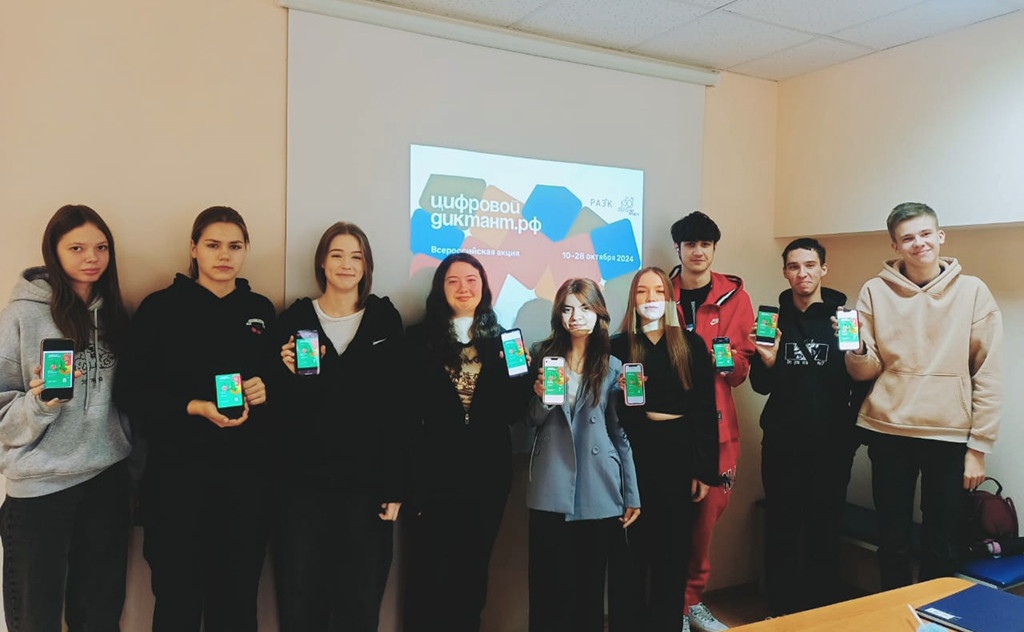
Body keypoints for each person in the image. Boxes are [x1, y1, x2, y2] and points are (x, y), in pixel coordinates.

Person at [117, 206, 276, 632]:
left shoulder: (260, 309)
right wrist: (193, 407)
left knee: (237, 607)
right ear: (193, 248)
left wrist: (264, 389)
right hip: (175, 485)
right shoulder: (159, 308)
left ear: (245, 250)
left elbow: (277, 388)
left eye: (235, 246)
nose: (224, 255)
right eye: (213, 245)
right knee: (177, 606)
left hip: (245, 487)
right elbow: (130, 392)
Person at [844, 203, 1002, 590]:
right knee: (892, 539)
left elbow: (988, 373)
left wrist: (978, 448)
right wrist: (857, 349)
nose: (919, 243)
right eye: (908, 238)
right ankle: (893, 611)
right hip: (888, 430)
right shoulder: (874, 290)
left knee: (942, 541)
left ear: (940, 236)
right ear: (895, 245)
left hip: (948, 435)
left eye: (926, 234)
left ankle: (934, 614)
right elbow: (864, 371)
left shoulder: (973, 291)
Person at [0, 204, 133, 632]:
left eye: (101, 247)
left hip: (106, 479)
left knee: (99, 618)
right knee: (35, 619)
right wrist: (40, 403)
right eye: (76, 248)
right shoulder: (22, 315)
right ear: (53, 252)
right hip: (40, 487)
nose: (91, 257)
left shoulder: (113, 313)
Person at [273, 222, 406, 631]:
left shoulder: (384, 319)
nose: (346, 264)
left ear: (366, 266)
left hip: (366, 487)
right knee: (301, 597)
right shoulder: (295, 318)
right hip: (302, 485)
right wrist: (284, 373)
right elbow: (278, 410)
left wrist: (395, 486)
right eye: (337, 255)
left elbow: (398, 408)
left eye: (356, 256)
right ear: (321, 263)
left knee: (360, 599)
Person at [403, 253, 528, 632]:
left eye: (471, 280)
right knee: (430, 574)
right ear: (440, 289)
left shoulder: (506, 341)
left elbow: (516, 410)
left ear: (483, 287)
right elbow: (405, 409)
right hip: (432, 478)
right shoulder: (417, 339)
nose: (463, 288)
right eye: (453, 280)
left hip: (487, 477)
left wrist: (525, 378)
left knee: (473, 574)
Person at [749, 238, 861, 615]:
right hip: (781, 444)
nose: (803, 273)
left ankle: (820, 612)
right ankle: (779, 611)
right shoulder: (773, 321)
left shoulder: (842, 320)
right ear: (785, 272)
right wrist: (767, 360)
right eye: (794, 266)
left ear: (823, 269)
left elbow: (860, 381)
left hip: (832, 447)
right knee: (780, 528)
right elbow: (760, 386)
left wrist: (850, 435)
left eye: (810, 265)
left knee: (824, 531)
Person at [526, 278, 640, 632]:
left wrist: (632, 493)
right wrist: (542, 397)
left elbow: (619, 433)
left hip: (599, 485)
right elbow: (531, 419)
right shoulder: (541, 354)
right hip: (551, 481)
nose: (576, 316)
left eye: (585, 308)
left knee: (589, 590)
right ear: (559, 315)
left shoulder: (613, 365)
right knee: (548, 589)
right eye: (568, 309)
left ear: (598, 313)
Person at [608, 267, 718, 632]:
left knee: (672, 555)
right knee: (629, 554)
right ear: (633, 299)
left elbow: (705, 408)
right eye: (643, 291)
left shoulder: (691, 345)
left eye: (658, 291)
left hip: (678, 454)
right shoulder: (617, 346)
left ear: (669, 299)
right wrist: (616, 391)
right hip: (632, 455)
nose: (651, 298)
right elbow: (606, 412)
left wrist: (704, 469)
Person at [669, 211, 754, 632]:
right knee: (667, 523)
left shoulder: (735, 297)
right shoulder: (659, 292)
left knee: (703, 526)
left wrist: (727, 361)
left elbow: (741, 372)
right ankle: (671, 606)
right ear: (678, 249)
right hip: (667, 430)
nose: (698, 251)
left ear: (714, 249)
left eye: (705, 244)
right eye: (690, 244)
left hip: (717, 431)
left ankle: (691, 602)